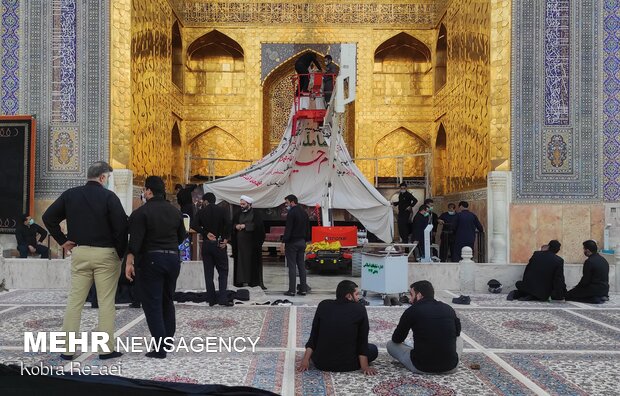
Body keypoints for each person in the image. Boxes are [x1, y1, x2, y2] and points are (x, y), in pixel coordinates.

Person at [42, 161, 128, 360]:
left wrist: (63, 241)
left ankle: (67, 350)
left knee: (75, 301)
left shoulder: (71, 194)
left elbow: (48, 217)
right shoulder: (109, 197)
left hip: (79, 253)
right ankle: (105, 350)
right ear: (102, 177)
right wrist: (120, 253)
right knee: (106, 302)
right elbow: (121, 227)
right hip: (106, 254)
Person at [125, 176, 186, 359]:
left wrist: (129, 262)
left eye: (144, 190)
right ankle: (167, 340)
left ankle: (159, 348)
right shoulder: (175, 212)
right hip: (173, 260)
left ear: (149, 191)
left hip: (152, 260)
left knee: (152, 303)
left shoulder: (141, 213)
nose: (144, 193)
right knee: (167, 300)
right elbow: (182, 236)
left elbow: (134, 241)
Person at [297, 280, 378, 375]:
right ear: (349, 296)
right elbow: (362, 340)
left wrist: (305, 360)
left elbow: (314, 336)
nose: (358, 297)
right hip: (349, 364)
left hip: (321, 363)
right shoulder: (359, 309)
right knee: (373, 349)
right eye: (356, 294)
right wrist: (364, 367)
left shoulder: (323, 305)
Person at [387, 280, 462, 374]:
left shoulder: (412, 311)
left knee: (390, 344)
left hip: (421, 367)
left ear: (419, 295)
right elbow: (457, 332)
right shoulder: (448, 308)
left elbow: (396, 339)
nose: (410, 299)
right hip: (451, 367)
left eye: (411, 294)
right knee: (460, 339)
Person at [191, 192, 232, 306]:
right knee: (223, 271)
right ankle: (223, 298)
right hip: (219, 244)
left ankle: (211, 299)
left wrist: (205, 232)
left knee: (208, 274)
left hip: (207, 245)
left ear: (206, 201)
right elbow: (228, 224)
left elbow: (193, 225)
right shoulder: (222, 210)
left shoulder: (201, 212)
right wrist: (225, 239)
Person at [232, 195, 266, 289]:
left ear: (249, 204)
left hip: (251, 245)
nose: (241, 206)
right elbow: (232, 224)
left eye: (243, 204)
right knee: (240, 263)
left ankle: (253, 282)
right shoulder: (238, 214)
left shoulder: (256, 214)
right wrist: (236, 226)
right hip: (240, 245)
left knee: (251, 263)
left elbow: (258, 227)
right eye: (241, 204)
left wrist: (246, 226)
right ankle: (240, 281)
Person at [282, 194, 309, 296]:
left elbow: (288, 229)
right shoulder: (304, 212)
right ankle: (303, 289)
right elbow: (307, 228)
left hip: (292, 243)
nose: (286, 205)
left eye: (287, 202)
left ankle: (292, 290)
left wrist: (283, 242)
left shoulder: (292, 213)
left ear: (292, 202)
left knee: (292, 266)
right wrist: (306, 240)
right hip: (302, 242)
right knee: (301, 266)